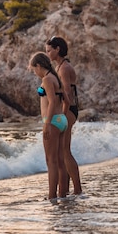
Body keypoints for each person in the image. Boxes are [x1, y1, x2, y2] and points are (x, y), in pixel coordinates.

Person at [28, 52, 69, 201]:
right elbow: (67, 101)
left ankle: (52, 196)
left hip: (52, 121)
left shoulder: (46, 79)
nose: (35, 72)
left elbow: (51, 102)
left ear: (39, 66)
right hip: (61, 120)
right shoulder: (55, 77)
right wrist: (61, 117)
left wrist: (47, 123)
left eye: (34, 69)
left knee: (51, 161)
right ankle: (62, 195)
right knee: (60, 160)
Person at [46, 36, 82, 196]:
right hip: (67, 110)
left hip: (68, 111)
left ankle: (78, 190)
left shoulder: (64, 69)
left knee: (65, 151)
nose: (47, 54)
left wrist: (62, 115)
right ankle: (65, 190)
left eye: (49, 50)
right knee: (62, 152)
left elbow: (67, 94)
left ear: (57, 49)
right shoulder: (60, 67)